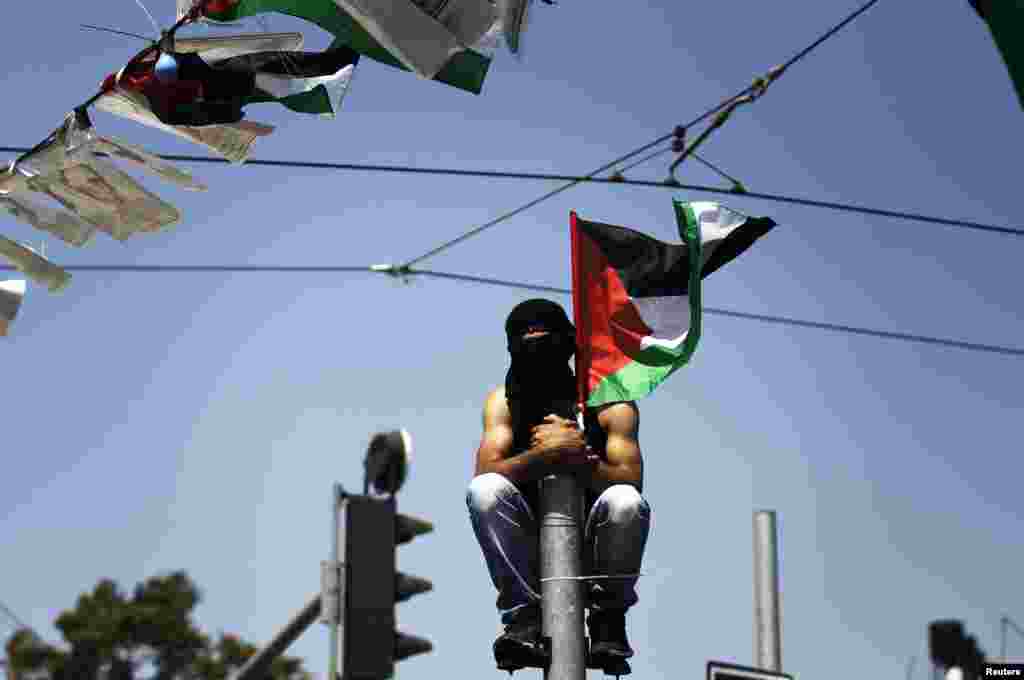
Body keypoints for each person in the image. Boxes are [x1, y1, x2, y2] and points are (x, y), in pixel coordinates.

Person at [466, 298, 651, 670]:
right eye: (526, 337)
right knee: (484, 492)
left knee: (625, 501)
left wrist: (577, 461)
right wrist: (542, 457)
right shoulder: (503, 402)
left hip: (593, 542)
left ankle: (607, 620)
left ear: (568, 343)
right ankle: (524, 620)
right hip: (531, 543)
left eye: (544, 336)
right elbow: (486, 470)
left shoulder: (609, 399)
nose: (535, 345)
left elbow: (631, 477)